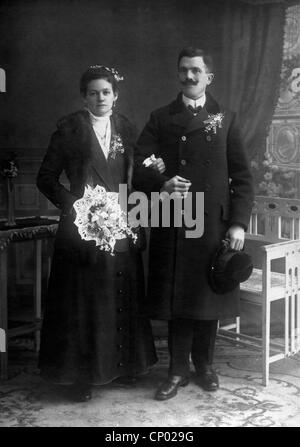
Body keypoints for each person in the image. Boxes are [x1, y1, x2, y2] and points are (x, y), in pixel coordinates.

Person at [133, 47, 254, 401]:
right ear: (178, 74)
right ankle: (176, 370)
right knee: (178, 298)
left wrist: (238, 223)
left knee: (208, 295)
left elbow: (243, 178)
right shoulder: (160, 117)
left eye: (196, 71)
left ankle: (205, 366)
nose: (189, 76)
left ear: (208, 77)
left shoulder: (226, 118)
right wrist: (162, 183)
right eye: (184, 70)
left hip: (213, 224)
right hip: (174, 219)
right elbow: (139, 165)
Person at [36, 65, 157, 402]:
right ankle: (81, 376)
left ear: (115, 96)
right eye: (93, 92)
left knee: (118, 293)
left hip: (120, 223)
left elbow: (138, 179)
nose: (100, 98)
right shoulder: (69, 130)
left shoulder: (127, 130)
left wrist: (138, 215)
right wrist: (76, 206)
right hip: (82, 229)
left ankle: (122, 367)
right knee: (84, 302)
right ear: (84, 96)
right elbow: (45, 178)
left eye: (106, 92)